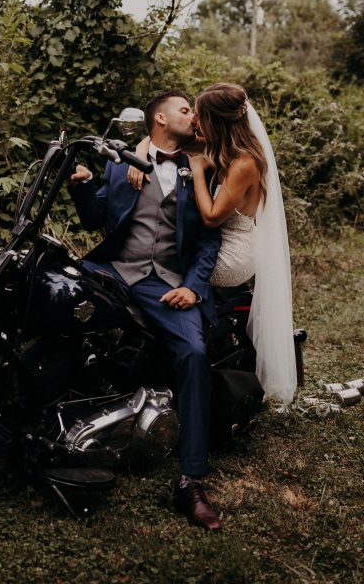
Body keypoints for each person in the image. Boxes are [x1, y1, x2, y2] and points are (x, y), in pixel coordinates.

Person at [69, 90, 224, 531]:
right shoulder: (122, 162)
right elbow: (96, 216)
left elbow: (210, 239)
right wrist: (81, 187)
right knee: (55, 304)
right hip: (115, 271)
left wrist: (193, 289)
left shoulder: (201, 166)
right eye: (183, 109)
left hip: (166, 283)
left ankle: (191, 480)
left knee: (193, 353)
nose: (192, 116)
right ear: (158, 117)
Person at [130, 83, 298, 406]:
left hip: (235, 251)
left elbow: (210, 217)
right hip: (220, 239)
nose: (194, 120)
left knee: (168, 261)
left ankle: (180, 347)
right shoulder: (220, 142)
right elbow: (159, 139)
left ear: (216, 120)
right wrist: (139, 156)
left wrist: (196, 169)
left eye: (199, 114)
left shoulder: (244, 163)